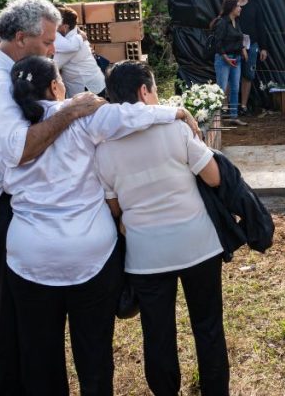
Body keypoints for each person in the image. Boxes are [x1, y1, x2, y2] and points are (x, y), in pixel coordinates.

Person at [0, 55, 194, 396]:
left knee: (39, 355)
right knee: (95, 352)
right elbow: (129, 114)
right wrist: (177, 111)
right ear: (56, 85)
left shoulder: (9, 138)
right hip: (92, 256)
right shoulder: (83, 117)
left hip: (31, 261)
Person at [0, 0, 111, 395]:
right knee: (7, 316)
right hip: (9, 209)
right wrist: (69, 112)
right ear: (21, 38)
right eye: (46, 43)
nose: (52, 50)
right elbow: (19, 148)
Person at [96, 60, 229, 396]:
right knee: (208, 326)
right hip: (198, 244)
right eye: (155, 89)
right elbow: (213, 177)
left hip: (146, 255)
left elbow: (115, 208)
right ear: (145, 91)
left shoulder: (104, 148)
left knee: (157, 332)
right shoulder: (176, 128)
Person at [54, 5, 106, 98]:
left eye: (56, 24)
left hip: (88, 88)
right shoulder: (75, 35)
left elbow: (53, 65)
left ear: (65, 26)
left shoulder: (72, 44)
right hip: (91, 84)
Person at [210, 0, 247, 127]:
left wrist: (243, 49)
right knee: (221, 89)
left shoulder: (236, 21)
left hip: (236, 59)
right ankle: (217, 120)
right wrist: (225, 58)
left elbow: (238, 38)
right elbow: (218, 43)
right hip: (223, 59)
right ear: (231, 8)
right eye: (238, 6)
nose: (240, 8)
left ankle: (234, 117)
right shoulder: (222, 22)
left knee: (235, 88)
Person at [234, 0, 267, 116]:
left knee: (248, 75)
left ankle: (243, 106)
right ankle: (228, 107)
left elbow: (261, 27)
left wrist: (263, 47)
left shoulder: (255, 7)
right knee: (231, 76)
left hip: (251, 46)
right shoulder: (231, 6)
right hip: (233, 46)